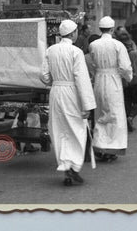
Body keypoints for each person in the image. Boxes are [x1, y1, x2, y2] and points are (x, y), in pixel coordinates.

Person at [40, 19, 96, 186]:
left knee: (59, 129)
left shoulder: (51, 50)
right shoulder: (76, 52)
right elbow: (82, 79)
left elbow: (43, 76)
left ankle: (66, 168)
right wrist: (87, 105)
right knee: (76, 129)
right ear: (72, 33)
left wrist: (54, 82)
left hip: (56, 92)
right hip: (72, 93)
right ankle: (74, 166)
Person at [89, 16, 132, 161]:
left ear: (100, 29)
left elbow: (93, 63)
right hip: (113, 81)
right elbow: (125, 67)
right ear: (112, 29)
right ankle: (111, 149)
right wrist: (128, 77)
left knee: (100, 115)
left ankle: (100, 146)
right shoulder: (118, 45)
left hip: (99, 81)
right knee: (115, 115)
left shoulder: (93, 45)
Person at [118, 32, 137, 132]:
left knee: (127, 103)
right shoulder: (135, 53)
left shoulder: (118, 54)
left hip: (123, 82)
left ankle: (127, 121)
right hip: (135, 81)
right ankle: (130, 118)